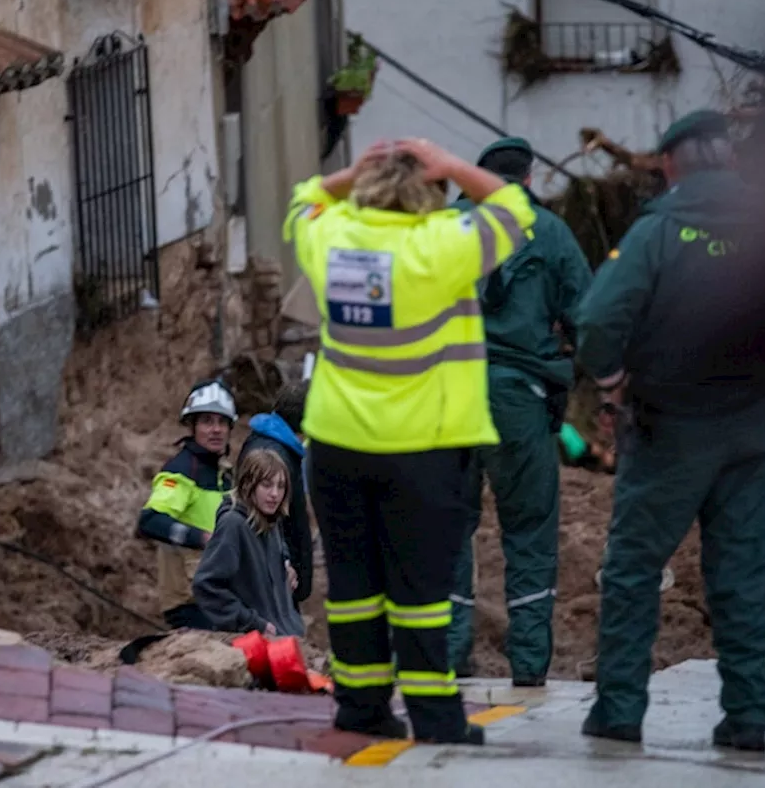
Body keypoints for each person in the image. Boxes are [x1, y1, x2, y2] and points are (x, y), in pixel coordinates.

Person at [285, 137, 538, 746]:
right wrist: (451, 165)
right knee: (421, 591)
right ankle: (435, 718)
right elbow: (514, 209)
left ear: (368, 189)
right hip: (424, 451)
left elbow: (303, 202)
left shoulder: (332, 239)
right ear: (429, 194)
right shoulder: (443, 246)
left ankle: (362, 709)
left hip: (337, 447)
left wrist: (354, 169)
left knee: (352, 586)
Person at [574, 110, 765, 752]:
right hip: (754, 429)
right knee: (744, 575)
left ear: (672, 164)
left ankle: (619, 711)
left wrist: (614, 380)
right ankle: (748, 716)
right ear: (729, 160)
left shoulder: (659, 230)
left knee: (635, 570)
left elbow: (596, 319)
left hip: (669, 429)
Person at [445, 137, 593, 686]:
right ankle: (529, 668)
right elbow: (590, 315)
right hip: (520, 401)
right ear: (528, 179)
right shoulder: (550, 231)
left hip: (449, 396)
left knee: (448, 528)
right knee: (529, 531)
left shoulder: (445, 227)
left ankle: (450, 655)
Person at [135, 378, 237, 630]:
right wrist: (202, 538)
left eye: (222, 422)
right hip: (189, 603)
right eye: (207, 421)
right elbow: (149, 521)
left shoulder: (226, 475)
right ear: (192, 426)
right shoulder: (182, 470)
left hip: (222, 597)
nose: (216, 429)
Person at [192, 448, 307, 637]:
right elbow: (206, 585)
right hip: (255, 644)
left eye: (281, 486)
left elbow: (279, 548)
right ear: (248, 484)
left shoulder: (272, 520)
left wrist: (284, 562)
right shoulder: (233, 524)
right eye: (267, 485)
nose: (275, 494)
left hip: (288, 636)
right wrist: (252, 622)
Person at [238, 379, 314, 611]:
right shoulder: (273, 454)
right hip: (274, 578)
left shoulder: (274, 444)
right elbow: (265, 517)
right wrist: (284, 563)